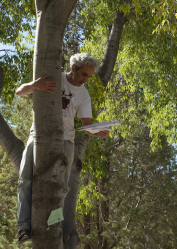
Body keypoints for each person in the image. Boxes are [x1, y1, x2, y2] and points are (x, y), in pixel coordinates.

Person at [15, 53, 109, 244]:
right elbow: (19, 92)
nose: (86, 80)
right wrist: (35, 86)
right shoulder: (53, 77)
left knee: (63, 188)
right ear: (73, 68)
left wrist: (97, 132)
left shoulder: (84, 94)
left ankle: (53, 224)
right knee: (25, 179)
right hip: (38, 135)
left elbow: (86, 124)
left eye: (89, 77)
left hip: (67, 141)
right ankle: (24, 227)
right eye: (84, 74)